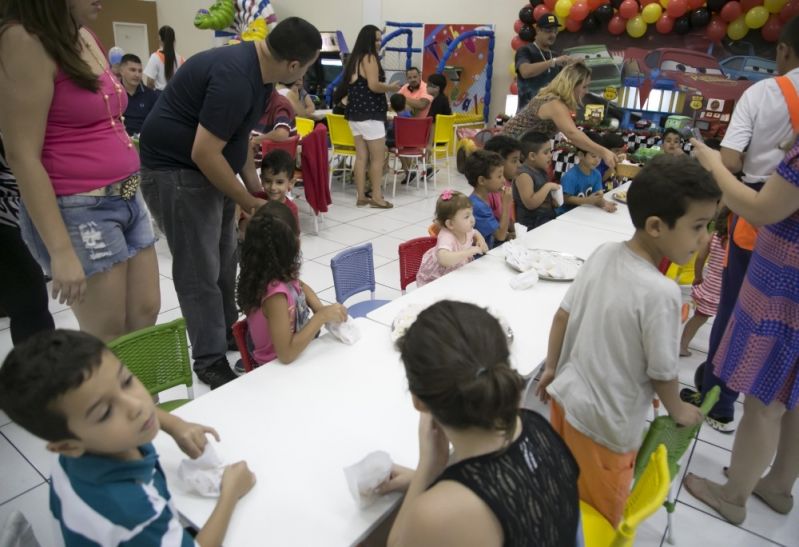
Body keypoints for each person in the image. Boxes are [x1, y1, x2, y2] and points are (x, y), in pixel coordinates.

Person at [138, 17, 322, 389]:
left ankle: (224, 333)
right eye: (307, 66)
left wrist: (252, 191)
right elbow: (205, 153)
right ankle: (208, 359)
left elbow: (234, 139)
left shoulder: (260, 74)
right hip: (177, 172)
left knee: (226, 259)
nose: (306, 74)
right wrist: (247, 202)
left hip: (206, 167)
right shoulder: (237, 77)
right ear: (293, 64)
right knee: (199, 269)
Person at [536, 154, 717, 525]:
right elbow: (663, 371)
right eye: (698, 227)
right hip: (607, 427)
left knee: (558, 487)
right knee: (596, 517)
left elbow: (561, 316)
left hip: (564, 402)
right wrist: (678, 409)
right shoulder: (663, 292)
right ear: (655, 225)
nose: (706, 239)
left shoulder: (603, 253)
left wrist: (551, 368)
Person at [0, 330, 256, 546]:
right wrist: (230, 491)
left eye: (126, 381)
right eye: (105, 412)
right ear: (67, 446)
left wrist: (174, 423)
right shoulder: (133, 512)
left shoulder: (77, 450)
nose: (137, 406)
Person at [0, 0, 160, 343]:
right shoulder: (23, 40)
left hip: (129, 195)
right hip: (82, 208)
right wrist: (60, 251)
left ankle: (134, 395)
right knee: (107, 331)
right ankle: (107, 397)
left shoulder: (84, 34)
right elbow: (22, 154)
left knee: (146, 312)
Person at [680, 16, 799, 433]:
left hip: (760, 221)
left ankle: (720, 400)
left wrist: (712, 159)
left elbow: (728, 162)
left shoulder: (765, 93)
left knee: (734, 313)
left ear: (783, 49)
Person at [381, 300, 581, 547]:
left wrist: (427, 467)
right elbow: (510, 492)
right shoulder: (537, 426)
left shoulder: (435, 515)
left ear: (418, 402)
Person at [682, 136, 799, 525]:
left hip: (784, 289)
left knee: (764, 401)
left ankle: (733, 497)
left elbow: (760, 208)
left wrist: (715, 163)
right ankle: (779, 485)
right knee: (793, 399)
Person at [237, 201, 347, 366]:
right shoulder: (275, 295)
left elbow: (300, 286)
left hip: (298, 349)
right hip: (274, 368)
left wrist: (319, 307)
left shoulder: (272, 269)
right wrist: (320, 317)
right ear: (292, 246)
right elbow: (286, 355)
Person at [502, 62, 617, 170]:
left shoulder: (552, 99)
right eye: (584, 87)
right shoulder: (554, 103)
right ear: (572, 85)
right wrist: (603, 152)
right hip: (507, 152)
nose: (586, 91)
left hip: (514, 151)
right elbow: (573, 134)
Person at [0, 135, 55, 344]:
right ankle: (39, 373)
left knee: (28, 304)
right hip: (7, 212)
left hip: (14, 206)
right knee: (30, 305)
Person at [341, 25, 400, 208]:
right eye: (376, 39)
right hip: (370, 115)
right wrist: (390, 88)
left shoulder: (354, 59)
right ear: (368, 40)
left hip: (355, 115)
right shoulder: (369, 57)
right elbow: (374, 86)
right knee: (377, 158)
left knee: (361, 157)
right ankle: (376, 196)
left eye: (380, 39)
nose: (379, 42)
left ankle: (361, 196)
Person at [680, 206, 729, 357]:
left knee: (699, 318)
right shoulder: (738, 243)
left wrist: (698, 276)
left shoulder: (713, 236)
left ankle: (682, 345)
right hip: (727, 290)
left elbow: (700, 258)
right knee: (725, 324)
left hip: (710, 287)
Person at [416, 190, 488, 287]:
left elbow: (475, 233)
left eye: (472, 214)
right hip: (436, 280)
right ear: (450, 224)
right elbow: (444, 259)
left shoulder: (466, 229)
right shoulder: (447, 237)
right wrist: (468, 252)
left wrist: (480, 240)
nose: (472, 220)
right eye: (466, 216)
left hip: (456, 271)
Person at [514, 14, 572, 112]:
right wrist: (552, 62)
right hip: (527, 115)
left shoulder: (554, 55)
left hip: (550, 115)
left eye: (555, 31)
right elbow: (525, 72)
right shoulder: (525, 50)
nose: (553, 35)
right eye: (548, 31)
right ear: (538, 30)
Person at [513, 131, 560, 229]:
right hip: (531, 226)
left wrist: (551, 201)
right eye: (546, 152)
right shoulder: (524, 175)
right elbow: (530, 203)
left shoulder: (541, 169)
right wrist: (548, 186)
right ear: (532, 156)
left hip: (545, 219)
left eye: (550, 151)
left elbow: (541, 195)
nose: (550, 156)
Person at [466, 150, 512, 249]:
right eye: (499, 176)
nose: (503, 180)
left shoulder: (484, 198)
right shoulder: (477, 206)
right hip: (477, 257)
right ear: (482, 180)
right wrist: (506, 205)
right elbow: (500, 235)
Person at [558, 138, 617, 215]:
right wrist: (587, 200)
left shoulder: (596, 174)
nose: (597, 160)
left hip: (583, 212)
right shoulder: (570, 176)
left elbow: (596, 197)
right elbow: (565, 199)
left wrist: (605, 204)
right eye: (593, 156)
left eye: (600, 157)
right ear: (581, 155)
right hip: (565, 214)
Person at [483, 134, 522, 229]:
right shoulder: (488, 193)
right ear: (497, 161)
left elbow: (511, 219)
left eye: (519, 160)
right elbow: (495, 232)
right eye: (514, 161)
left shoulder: (507, 183)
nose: (519, 165)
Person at [118, 54, 160, 136]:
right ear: (121, 71)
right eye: (133, 70)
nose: (137, 75)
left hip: (145, 140)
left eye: (140, 71)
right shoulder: (113, 94)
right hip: (121, 141)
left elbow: (156, 122)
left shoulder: (151, 95)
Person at [258, 149, 299, 229]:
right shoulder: (255, 199)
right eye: (268, 181)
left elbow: (294, 237)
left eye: (279, 182)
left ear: (291, 183)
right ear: (261, 180)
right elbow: (242, 228)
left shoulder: (291, 210)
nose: (273, 187)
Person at [143, 25, 184, 91]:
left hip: (160, 95)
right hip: (176, 95)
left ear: (159, 38)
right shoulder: (181, 59)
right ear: (174, 40)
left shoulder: (155, 57)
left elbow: (150, 82)